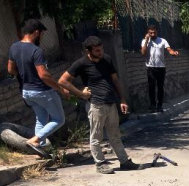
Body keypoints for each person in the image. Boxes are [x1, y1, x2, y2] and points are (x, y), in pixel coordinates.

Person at [58, 36, 140, 174]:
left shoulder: (107, 59)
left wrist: (122, 99)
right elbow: (62, 81)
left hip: (110, 103)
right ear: (88, 51)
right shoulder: (81, 63)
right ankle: (100, 164)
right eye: (97, 50)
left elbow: (115, 79)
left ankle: (124, 161)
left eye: (101, 49)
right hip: (96, 105)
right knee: (96, 137)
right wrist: (80, 94)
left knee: (115, 135)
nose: (100, 52)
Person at [6, 19, 82, 156]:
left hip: (26, 92)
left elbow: (11, 70)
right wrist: (61, 89)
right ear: (36, 33)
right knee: (59, 119)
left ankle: (39, 148)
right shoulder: (36, 51)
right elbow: (44, 75)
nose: (42, 37)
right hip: (42, 92)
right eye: (42, 34)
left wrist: (24, 74)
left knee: (41, 119)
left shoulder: (14, 47)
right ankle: (35, 140)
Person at [140, 24, 179, 113]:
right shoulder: (145, 41)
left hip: (161, 67)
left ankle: (159, 105)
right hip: (150, 67)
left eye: (154, 32)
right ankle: (152, 105)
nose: (153, 34)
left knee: (160, 87)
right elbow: (143, 52)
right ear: (148, 33)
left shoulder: (162, 40)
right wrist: (146, 41)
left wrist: (174, 53)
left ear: (157, 32)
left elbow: (169, 50)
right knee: (151, 87)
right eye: (151, 33)